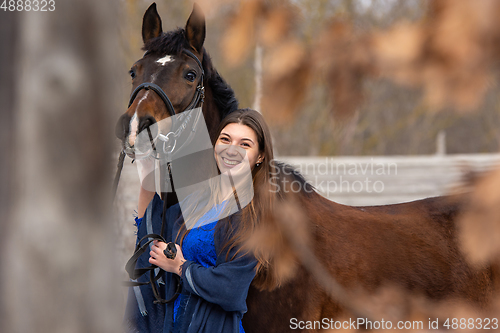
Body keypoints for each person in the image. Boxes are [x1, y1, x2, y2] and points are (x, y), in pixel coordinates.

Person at [125, 108, 276, 333]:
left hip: (214, 326)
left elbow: (231, 288)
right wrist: (147, 166)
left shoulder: (255, 216)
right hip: (174, 323)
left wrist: (179, 267)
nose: (232, 149)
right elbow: (151, 228)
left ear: (260, 156)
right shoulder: (197, 202)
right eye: (225, 139)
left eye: (245, 144)